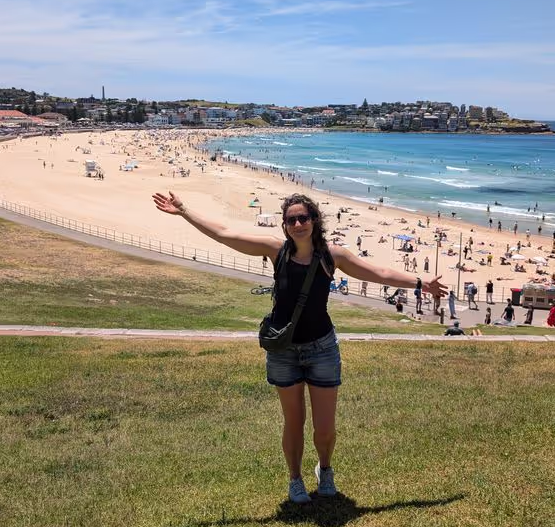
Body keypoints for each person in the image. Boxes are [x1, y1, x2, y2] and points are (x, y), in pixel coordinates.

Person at [151, 190, 445, 504]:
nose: (297, 224)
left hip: (322, 348)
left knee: (325, 428)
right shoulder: (275, 250)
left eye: (303, 218)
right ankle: (295, 479)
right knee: (294, 423)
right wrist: (184, 211)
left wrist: (420, 283)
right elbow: (224, 234)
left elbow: (379, 273)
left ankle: (325, 469)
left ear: (314, 220)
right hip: (284, 351)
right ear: (285, 225)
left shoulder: (333, 256)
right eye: (291, 220)